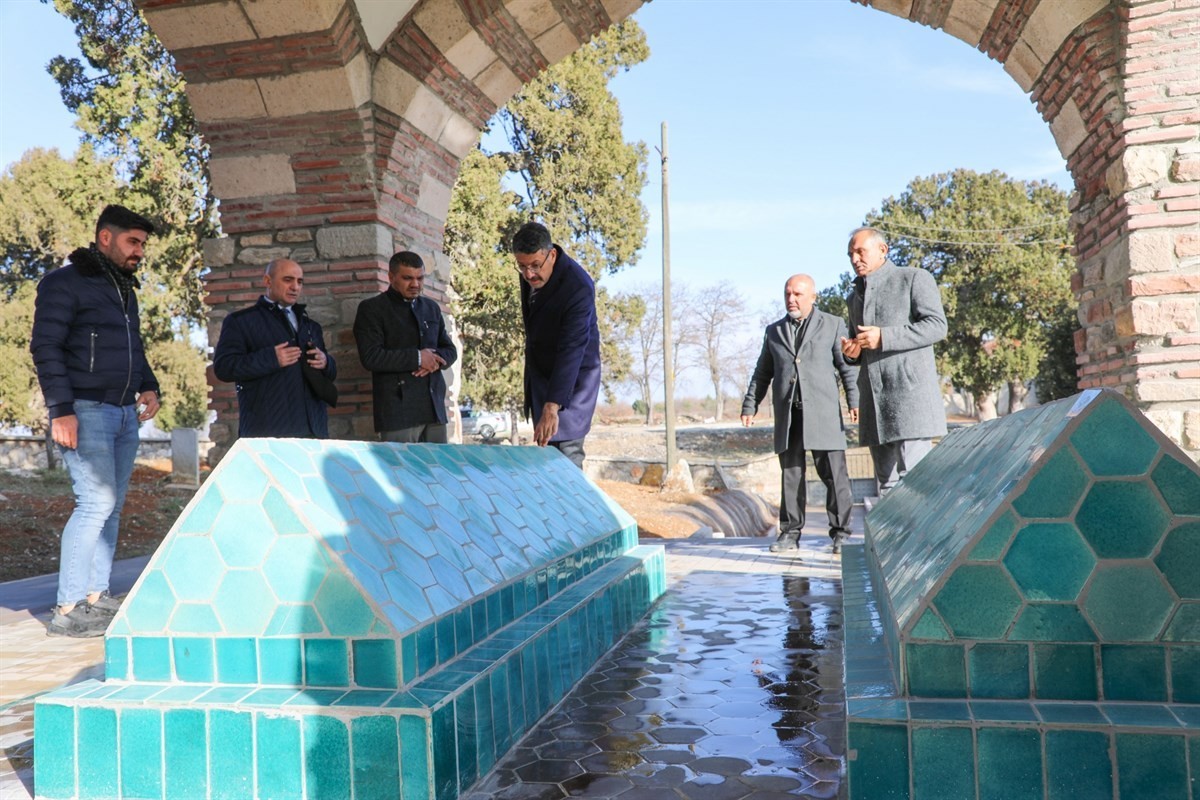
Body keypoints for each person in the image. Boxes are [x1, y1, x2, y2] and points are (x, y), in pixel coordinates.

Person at [30, 204, 162, 637]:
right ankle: (67, 609)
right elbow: (46, 347)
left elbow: (133, 346)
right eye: (132, 241)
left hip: (124, 412)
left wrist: (149, 385)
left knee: (112, 506)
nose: (139, 250)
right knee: (95, 504)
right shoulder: (64, 283)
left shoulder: (125, 290)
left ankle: (95, 596)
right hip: (85, 410)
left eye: (142, 243)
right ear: (106, 237)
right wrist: (61, 410)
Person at [742, 274, 860, 555]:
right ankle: (789, 534)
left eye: (797, 294)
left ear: (812, 297)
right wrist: (750, 404)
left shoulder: (832, 324)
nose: (791, 299)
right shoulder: (774, 331)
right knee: (791, 476)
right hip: (789, 416)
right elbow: (762, 373)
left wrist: (854, 400)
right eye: (788, 294)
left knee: (834, 476)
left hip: (824, 414)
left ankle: (841, 534)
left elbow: (846, 367)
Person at [840, 227, 947, 495]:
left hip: (911, 401)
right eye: (850, 254)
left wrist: (884, 337)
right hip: (875, 405)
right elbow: (861, 344)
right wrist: (852, 353)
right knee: (886, 487)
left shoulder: (913, 278)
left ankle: (921, 527)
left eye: (860, 252)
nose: (855, 259)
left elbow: (937, 326)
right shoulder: (854, 298)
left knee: (916, 484)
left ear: (883, 250)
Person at [213, 258, 336, 438]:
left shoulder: (311, 326)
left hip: (314, 431)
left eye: (299, 281)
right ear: (267, 281)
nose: (295, 287)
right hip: (268, 432)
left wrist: (326, 362)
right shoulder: (240, 321)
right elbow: (223, 368)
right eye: (288, 280)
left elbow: (329, 375)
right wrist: (271, 359)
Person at [513, 221, 601, 468]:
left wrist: (552, 406)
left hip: (572, 385)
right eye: (522, 266)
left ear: (551, 255)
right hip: (542, 379)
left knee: (567, 461)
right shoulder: (532, 272)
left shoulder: (578, 287)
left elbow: (572, 348)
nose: (529, 274)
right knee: (547, 462)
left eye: (535, 265)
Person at [353, 251, 457, 442]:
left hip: (434, 409)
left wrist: (433, 362)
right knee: (399, 463)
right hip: (398, 412)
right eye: (408, 278)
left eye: (420, 278)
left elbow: (450, 350)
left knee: (438, 462)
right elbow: (371, 357)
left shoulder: (431, 308)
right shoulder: (372, 309)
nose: (415, 284)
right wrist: (418, 358)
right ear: (391, 277)